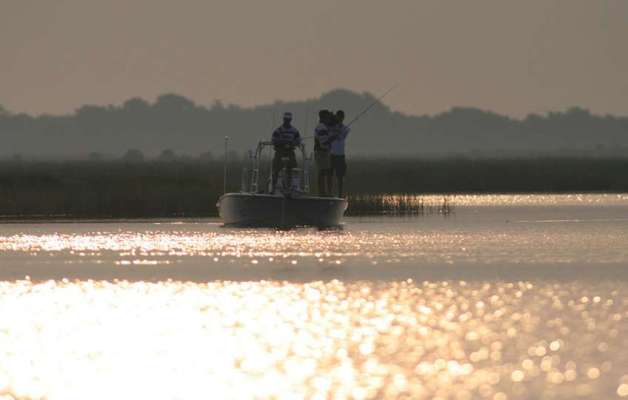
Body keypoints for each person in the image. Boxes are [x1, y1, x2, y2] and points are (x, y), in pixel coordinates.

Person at [271, 112, 301, 194]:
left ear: (290, 120)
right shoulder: (278, 130)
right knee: (276, 169)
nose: (287, 121)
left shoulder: (294, 131)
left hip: (290, 152)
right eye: (285, 119)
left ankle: (290, 188)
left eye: (288, 120)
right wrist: (283, 142)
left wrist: (292, 143)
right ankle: (273, 188)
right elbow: (274, 140)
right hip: (280, 152)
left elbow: (298, 140)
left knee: (293, 168)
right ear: (283, 119)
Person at [329, 110, 350, 197]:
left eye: (342, 117)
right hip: (331, 154)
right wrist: (335, 131)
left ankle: (340, 194)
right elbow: (329, 136)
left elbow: (342, 136)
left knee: (340, 176)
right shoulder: (330, 127)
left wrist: (338, 131)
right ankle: (329, 193)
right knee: (329, 174)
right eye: (339, 117)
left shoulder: (345, 128)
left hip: (341, 155)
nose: (340, 118)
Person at [314, 110, 333, 196]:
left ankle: (322, 192)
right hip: (321, 153)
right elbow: (324, 143)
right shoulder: (322, 128)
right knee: (323, 172)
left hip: (322, 152)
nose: (329, 119)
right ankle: (322, 193)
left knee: (323, 171)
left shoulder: (322, 127)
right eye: (328, 117)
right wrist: (333, 138)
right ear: (324, 118)